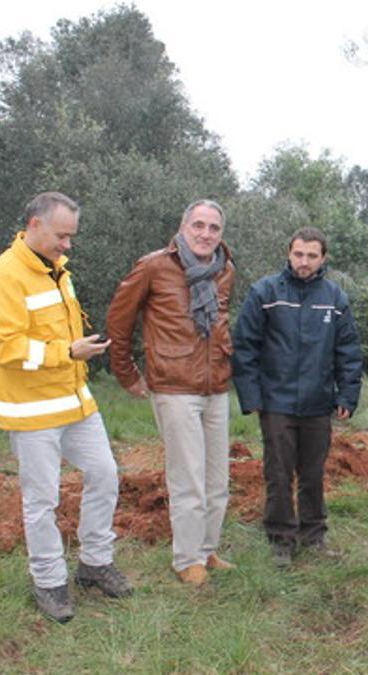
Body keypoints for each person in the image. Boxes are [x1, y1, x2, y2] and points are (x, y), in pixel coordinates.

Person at [0, 191, 132, 623]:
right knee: (41, 500)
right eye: (62, 235)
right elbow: (5, 346)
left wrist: (76, 352)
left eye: (71, 237)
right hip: (32, 413)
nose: (68, 244)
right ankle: (49, 583)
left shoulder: (58, 271)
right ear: (34, 225)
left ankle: (95, 563)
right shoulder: (3, 276)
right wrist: (67, 352)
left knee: (105, 474)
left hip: (77, 404)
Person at [106, 199, 236, 586]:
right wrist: (126, 372)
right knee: (188, 478)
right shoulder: (153, 266)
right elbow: (119, 320)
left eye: (213, 228)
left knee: (218, 479)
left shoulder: (225, 270)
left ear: (221, 234)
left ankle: (208, 549)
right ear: (183, 227)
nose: (205, 234)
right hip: (174, 385)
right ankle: (187, 559)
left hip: (216, 386)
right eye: (198, 225)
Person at [232, 228, 363, 567]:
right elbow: (245, 345)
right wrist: (252, 396)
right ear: (289, 253)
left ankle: (314, 535)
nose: (304, 262)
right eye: (298, 254)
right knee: (277, 472)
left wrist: (347, 395)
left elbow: (348, 351)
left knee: (313, 473)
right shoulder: (265, 292)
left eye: (311, 256)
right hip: (276, 401)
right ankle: (281, 540)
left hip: (319, 402)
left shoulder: (334, 298)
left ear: (323, 258)